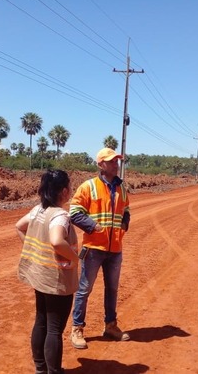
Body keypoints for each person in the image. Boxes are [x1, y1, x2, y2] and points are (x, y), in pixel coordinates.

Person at [15, 170, 79, 374]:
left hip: (39, 276)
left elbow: (19, 226)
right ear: (64, 191)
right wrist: (75, 259)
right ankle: (54, 371)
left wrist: (31, 249)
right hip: (55, 279)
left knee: (41, 321)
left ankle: (41, 369)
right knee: (54, 329)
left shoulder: (37, 210)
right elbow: (57, 240)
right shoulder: (60, 216)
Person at [69, 147, 131, 349]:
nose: (116, 164)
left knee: (112, 289)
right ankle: (77, 328)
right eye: (112, 161)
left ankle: (110, 326)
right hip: (94, 248)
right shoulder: (88, 187)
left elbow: (126, 210)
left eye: (117, 161)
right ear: (101, 164)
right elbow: (75, 212)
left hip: (115, 250)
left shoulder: (122, 188)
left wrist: (123, 225)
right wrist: (93, 226)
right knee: (84, 289)